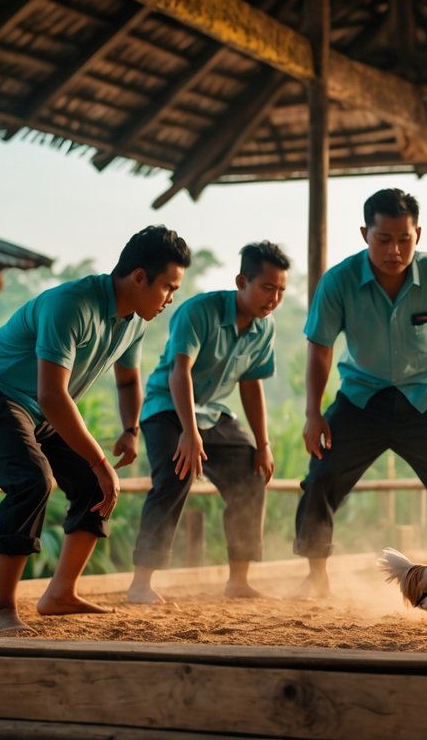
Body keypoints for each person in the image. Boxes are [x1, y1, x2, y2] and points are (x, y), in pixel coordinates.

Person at [0, 226, 191, 632]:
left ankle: (60, 594)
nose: (170, 299)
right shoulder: (72, 304)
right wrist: (100, 459)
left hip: (40, 412)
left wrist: (131, 429)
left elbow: (128, 380)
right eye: (168, 288)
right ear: (139, 277)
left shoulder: (134, 322)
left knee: (92, 486)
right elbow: (52, 394)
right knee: (32, 481)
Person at [294, 188, 427, 597]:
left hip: (424, 397)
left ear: (418, 233)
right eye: (383, 239)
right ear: (365, 232)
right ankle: (315, 574)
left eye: (404, 239)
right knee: (320, 476)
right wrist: (314, 414)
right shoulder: (339, 281)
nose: (394, 250)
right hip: (361, 399)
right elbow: (320, 350)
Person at [127, 241, 291, 604]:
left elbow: (251, 385)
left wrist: (262, 445)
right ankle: (141, 582)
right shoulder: (198, 312)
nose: (274, 298)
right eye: (267, 288)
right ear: (241, 281)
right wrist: (188, 432)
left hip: (213, 412)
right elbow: (179, 373)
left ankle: (239, 580)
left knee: (252, 475)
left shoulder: (265, 328)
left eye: (281, 290)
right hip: (167, 406)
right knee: (175, 474)